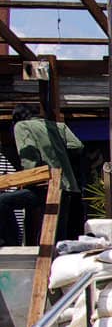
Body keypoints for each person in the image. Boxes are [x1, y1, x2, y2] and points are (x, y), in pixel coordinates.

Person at [0, 102, 84, 246]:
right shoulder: (57, 126)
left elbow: (29, 157)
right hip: (66, 185)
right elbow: (77, 146)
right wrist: (59, 156)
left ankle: (10, 244)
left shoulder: (22, 126)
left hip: (43, 185)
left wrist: (28, 180)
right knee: (57, 233)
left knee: (3, 201)